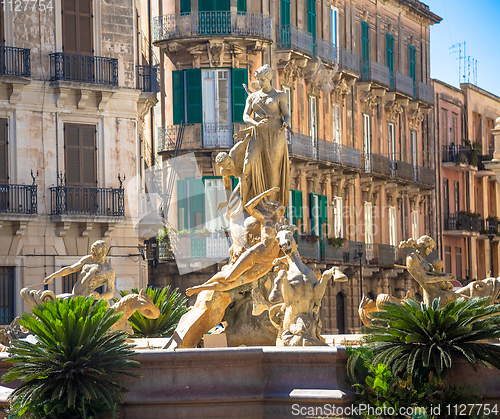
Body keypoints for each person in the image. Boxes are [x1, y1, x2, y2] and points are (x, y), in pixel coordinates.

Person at [186, 187, 285, 296]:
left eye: (282, 209)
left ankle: (199, 288)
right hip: (256, 253)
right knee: (229, 277)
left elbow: (285, 245)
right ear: (273, 210)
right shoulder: (266, 221)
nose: (282, 210)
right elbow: (248, 207)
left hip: (268, 262)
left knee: (233, 283)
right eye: (279, 208)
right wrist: (265, 194)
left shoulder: (284, 226)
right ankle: (200, 287)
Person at [240, 64, 290, 208]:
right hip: (258, 133)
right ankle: (250, 203)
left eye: (262, 80)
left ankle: (271, 205)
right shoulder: (253, 97)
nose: (260, 83)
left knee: (273, 168)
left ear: (269, 78)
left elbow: (286, 115)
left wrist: (285, 123)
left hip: (276, 133)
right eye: (259, 80)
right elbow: (245, 115)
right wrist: (254, 124)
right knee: (250, 164)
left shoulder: (280, 95)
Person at [43, 240, 115, 301]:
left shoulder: (108, 271)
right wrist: (52, 276)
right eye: (92, 251)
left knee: (61, 300)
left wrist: (100, 297)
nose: (92, 254)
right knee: (56, 299)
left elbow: (110, 292)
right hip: (75, 294)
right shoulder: (88, 259)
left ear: (103, 253)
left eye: (95, 252)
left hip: (85, 297)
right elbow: (70, 269)